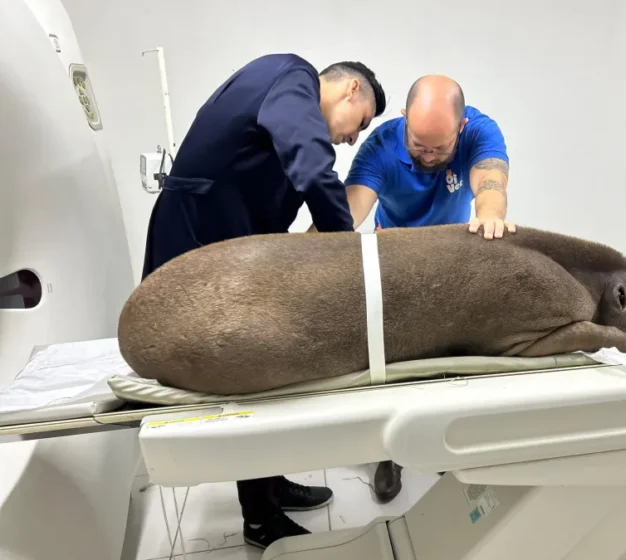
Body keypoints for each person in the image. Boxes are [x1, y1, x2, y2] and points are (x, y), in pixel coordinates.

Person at [139, 53, 386, 549]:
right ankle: (259, 517)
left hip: (227, 248)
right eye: (358, 125)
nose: (352, 139)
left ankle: (269, 487)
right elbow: (315, 172)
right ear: (350, 90)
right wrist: (345, 256)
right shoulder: (291, 77)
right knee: (246, 372)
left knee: (262, 368)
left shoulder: (283, 101)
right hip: (192, 244)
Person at [308, 75, 512, 503]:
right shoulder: (382, 146)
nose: (429, 155)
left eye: (440, 148)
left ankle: (446, 442)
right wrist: (306, 251)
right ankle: (390, 453)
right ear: (404, 120)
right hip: (396, 259)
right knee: (393, 361)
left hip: (453, 254)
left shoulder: (481, 131)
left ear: (461, 127)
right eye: (419, 145)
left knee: (450, 360)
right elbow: (351, 207)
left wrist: (491, 216)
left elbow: (490, 183)